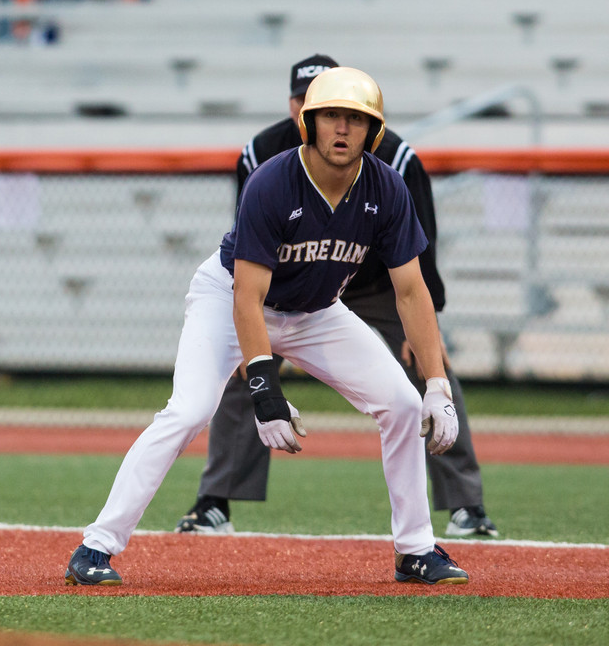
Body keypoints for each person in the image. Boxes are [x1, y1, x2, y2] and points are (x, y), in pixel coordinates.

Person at [64, 66, 469, 587]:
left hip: (316, 310)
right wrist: (264, 392)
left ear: (375, 131)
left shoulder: (386, 188)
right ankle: (96, 546)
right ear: (309, 123)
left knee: (403, 402)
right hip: (228, 297)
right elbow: (246, 297)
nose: (342, 129)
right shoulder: (274, 181)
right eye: (330, 117)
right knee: (189, 410)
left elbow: (411, 291)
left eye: (355, 119)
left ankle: (415, 550)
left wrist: (436, 384)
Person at [175, 55, 498, 540]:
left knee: (429, 375)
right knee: (246, 371)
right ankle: (215, 500)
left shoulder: (395, 157)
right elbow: (248, 242)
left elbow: (417, 258)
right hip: (282, 286)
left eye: (343, 110)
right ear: (297, 109)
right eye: (315, 105)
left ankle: (465, 504)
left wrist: (433, 327)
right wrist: (257, 340)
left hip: (375, 285)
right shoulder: (262, 153)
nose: (337, 123)